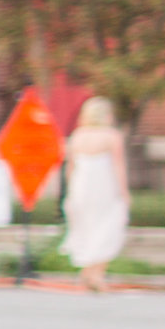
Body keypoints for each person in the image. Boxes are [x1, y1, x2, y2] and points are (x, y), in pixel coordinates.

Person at [61, 96, 130, 291]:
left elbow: (70, 168)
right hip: (103, 187)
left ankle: (86, 274)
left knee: (86, 227)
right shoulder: (111, 136)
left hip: (81, 186)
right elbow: (118, 165)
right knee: (107, 227)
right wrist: (123, 191)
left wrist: (70, 191)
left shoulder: (77, 136)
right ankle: (97, 275)